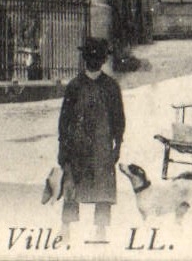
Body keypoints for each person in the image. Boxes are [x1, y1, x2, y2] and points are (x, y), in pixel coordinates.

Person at [57, 37, 125, 241]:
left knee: (104, 187)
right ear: (85, 58)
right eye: (90, 56)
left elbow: (119, 119)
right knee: (71, 184)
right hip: (77, 145)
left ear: (103, 60)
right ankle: (66, 227)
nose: (94, 61)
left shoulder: (111, 87)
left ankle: (101, 230)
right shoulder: (75, 86)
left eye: (98, 57)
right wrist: (63, 147)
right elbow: (64, 119)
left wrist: (117, 145)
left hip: (102, 146)